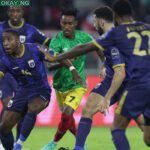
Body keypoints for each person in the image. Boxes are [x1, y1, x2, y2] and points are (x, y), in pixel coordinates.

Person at [39, 0, 150, 149]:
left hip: (128, 82)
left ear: (103, 21)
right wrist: (104, 65)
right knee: (88, 108)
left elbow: (119, 70)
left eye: (95, 22)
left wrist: (107, 97)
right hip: (122, 79)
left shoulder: (114, 36)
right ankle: (79, 148)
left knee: (135, 125)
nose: (94, 25)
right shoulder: (145, 28)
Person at [0, 29, 82, 150]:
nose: (5, 43)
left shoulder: (34, 49)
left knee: (33, 107)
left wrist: (72, 69)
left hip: (41, 91)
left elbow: (58, 56)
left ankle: (19, 144)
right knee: (3, 128)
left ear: (18, 41)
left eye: (9, 40)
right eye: (3, 41)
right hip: (21, 93)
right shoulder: (4, 60)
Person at [0, 6, 51, 150]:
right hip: (5, 74)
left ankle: (18, 143)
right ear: (8, 12)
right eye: (12, 11)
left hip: (22, 78)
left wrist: (65, 57)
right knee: (7, 105)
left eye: (18, 11)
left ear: (23, 13)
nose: (5, 43)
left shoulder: (31, 32)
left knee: (27, 108)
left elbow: (50, 45)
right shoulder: (1, 28)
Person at [41, 8, 93, 150]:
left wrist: (103, 65)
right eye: (64, 23)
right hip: (60, 85)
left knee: (67, 113)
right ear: (60, 22)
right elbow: (50, 66)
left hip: (77, 84)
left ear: (76, 23)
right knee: (67, 119)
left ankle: (53, 143)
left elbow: (99, 48)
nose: (67, 27)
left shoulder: (84, 38)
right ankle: (80, 141)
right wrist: (66, 60)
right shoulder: (57, 40)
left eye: (70, 23)